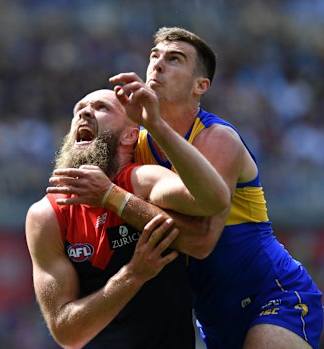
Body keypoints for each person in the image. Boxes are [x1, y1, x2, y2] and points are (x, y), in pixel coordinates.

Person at [60, 27, 323, 348]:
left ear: (201, 85)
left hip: (272, 292)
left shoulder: (217, 139)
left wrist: (114, 195)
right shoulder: (136, 144)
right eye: (154, 57)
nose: (157, 65)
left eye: (174, 59)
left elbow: (201, 242)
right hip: (212, 314)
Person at [25, 88, 231, 348]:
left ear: (130, 135)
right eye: (79, 110)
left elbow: (210, 207)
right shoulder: (47, 215)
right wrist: (133, 275)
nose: (85, 112)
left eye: (102, 107)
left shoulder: (144, 181)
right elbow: (67, 333)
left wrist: (112, 196)